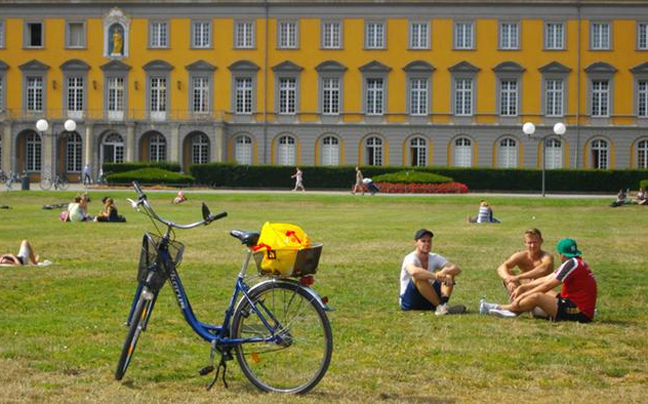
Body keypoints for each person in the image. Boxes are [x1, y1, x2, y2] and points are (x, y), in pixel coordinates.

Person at [481, 238, 597, 323]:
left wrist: (525, 294)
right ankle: (513, 311)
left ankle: (499, 307)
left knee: (537, 296)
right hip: (573, 303)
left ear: (561, 254)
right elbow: (547, 278)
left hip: (580, 312)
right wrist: (524, 287)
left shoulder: (572, 264)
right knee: (538, 293)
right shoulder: (576, 262)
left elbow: (548, 285)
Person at [400, 229, 466, 315]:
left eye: (429, 241)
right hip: (410, 301)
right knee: (419, 277)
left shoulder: (434, 257)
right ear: (415, 243)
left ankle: (442, 305)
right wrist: (436, 276)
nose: (427, 244)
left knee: (449, 272)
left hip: (429, 298)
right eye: (423, 241)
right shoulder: (410, 258)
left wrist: (445, 271)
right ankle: (440, 307)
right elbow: (414, 272)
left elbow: (457, 269)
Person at [495, 228, 554, 301]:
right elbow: (501, 267)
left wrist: (518, 277)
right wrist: (509, 279)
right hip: (523, 290)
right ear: (525, 243)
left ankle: (521, 303)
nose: (532, 245)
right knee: (509, 273)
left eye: (535, 242)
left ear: (541, 241)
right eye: (529, 243)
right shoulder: (521, 256)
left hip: (542, 291)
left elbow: (543, 269)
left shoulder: (547, 257)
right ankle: (518, 301)